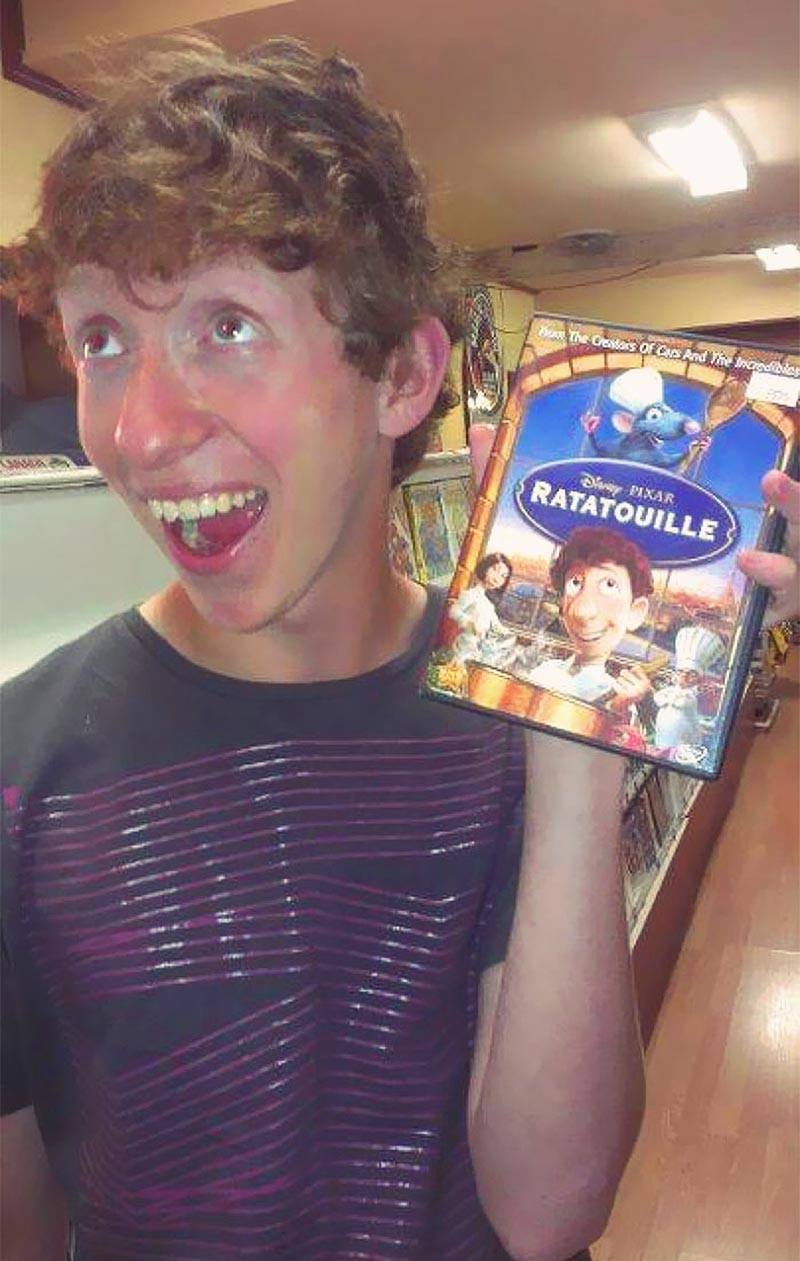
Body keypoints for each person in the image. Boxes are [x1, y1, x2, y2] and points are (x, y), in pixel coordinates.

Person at [1, 33, 798, 1261]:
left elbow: (547, 1212)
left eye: (226, 325)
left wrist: (576, 750)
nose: (142, 432)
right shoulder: (19, 768)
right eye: (100, 338)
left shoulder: (507, 714)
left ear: (402, 375)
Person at [524, 526, 655, 716]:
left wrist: (618, 707)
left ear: (635, 612)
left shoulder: (616, 695)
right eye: (575, 583)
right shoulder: (545, 671)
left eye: (609, 585)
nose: (582, 612)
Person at [447, 551, 520, 667]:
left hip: (478, 653)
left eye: (503, 576)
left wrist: (511, 635)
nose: (498, 578)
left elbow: (497, 626)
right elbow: (453, 611)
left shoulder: (488, 605)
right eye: (495, 570)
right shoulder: (470, 594)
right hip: (463, 650)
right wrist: (469, 623)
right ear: (485, 567)